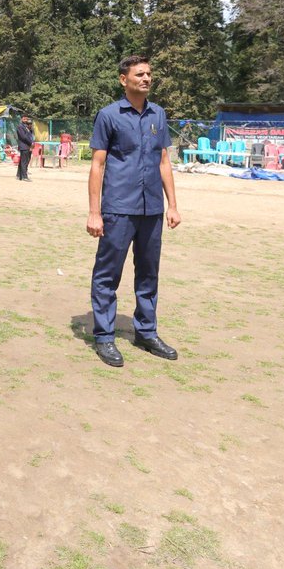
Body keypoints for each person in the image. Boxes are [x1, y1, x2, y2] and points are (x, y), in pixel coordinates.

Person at [86, 55, 181, 368]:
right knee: (108, 274)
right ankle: (104, 336)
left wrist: (173, 205)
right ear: (123, 79)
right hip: (118, 209)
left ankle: (146, 332)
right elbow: (98, 164)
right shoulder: (109, 115)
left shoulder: (158, 115)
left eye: (149, 74)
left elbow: (163, 161)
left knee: (149, 274)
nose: (146, 78)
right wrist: (94, 212)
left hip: (151, 209)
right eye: (140, 74)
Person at [15, 114, 34, 181]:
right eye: (24, 119)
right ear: (21, 119)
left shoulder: (27, 126)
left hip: (28, 146)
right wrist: (31, 143)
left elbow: (31, 135)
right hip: (24, 146)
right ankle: (24, 177)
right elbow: (23, 137)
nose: (25, 120)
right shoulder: (20, 127)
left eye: (26, 119)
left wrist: (30, 129)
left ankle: (18, 175)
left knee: (23, 161)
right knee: (24, 162)